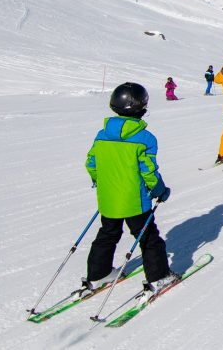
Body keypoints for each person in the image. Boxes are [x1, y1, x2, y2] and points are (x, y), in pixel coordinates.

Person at [83, 83, 178, 295]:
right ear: (142, 107)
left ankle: (98, 274)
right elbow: (148, 171)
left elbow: (91, 163)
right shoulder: (144, 138)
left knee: (107, 233)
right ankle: (159, 276)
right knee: (148, 237)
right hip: (135, 199)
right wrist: (159, 190)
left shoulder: (102, 134)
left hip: (108, 198)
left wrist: (103, 181)